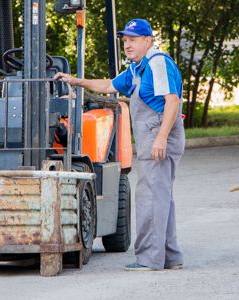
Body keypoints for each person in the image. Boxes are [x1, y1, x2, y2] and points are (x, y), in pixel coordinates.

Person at [53, 18, 185, 271]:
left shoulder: (158, 63)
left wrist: (161, 138)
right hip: (153, 134)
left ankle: (149, 259)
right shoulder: (137, 68)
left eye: (133, 40)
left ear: (148, 40)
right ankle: (170, 257)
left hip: (159, 135)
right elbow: (109, 86)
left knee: (150, 197)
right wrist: (75, 81)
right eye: (125, 40)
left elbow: (172, 101)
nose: (127, 45)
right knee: (161, 197)